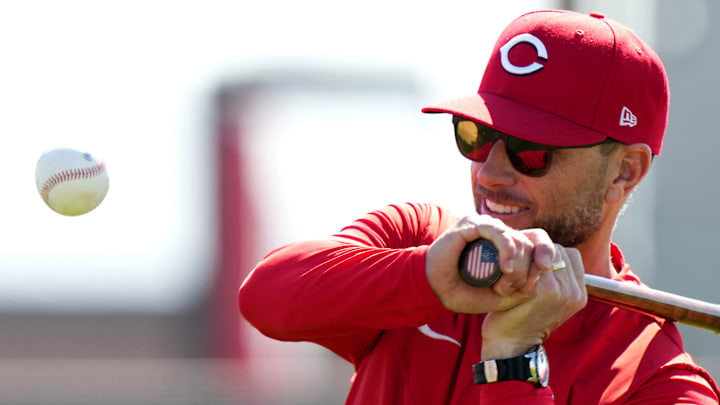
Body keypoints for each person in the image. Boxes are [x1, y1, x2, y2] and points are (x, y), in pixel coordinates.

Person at [238, 9, 720, 404]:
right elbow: (264, 297)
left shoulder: (661, 386)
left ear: (624, 171)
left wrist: (512, 360)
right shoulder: (420, 240)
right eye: (478, 136)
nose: (488, 173)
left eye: (532, 151)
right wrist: (428, 277)